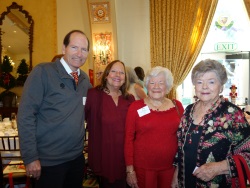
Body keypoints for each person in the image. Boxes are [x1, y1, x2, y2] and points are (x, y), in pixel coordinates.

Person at [17, 30, 92, 188]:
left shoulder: (85, 80)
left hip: (76, 159)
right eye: (74, 47)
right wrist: (30, 157)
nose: (79, 53)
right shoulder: (43, 72)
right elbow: (25, 115)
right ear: (63, 48)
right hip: (48, 162)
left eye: (84, 49)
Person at [171, 59, 250, 188]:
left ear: (221, 86)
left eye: (211, 82)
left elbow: (248, 153)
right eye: (199, 82)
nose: (204, 87)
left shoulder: (232, 114)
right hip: (185, 181)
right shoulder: (188, 110)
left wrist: (219, 168)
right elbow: (181, 146)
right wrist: (176, 173)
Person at [125, 66, 184, 188]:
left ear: (167, 86)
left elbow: (183, 139)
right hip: (143, 168)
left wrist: (179, 169)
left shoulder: (177, 106)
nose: (156, 87)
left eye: (161, 83)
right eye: (152, 82)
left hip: (170, 167)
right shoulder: (135, 107)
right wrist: (130, 170)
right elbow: (128, 139)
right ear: (147, 85)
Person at [85, 60, 135, 188]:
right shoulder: (93, 95)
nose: (117, 75)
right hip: (104, 157)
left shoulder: (129, 99)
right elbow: (80, 119)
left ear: (125, 78)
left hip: (125, 158)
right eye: (113, 71)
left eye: (121, 72)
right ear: (106, 75)